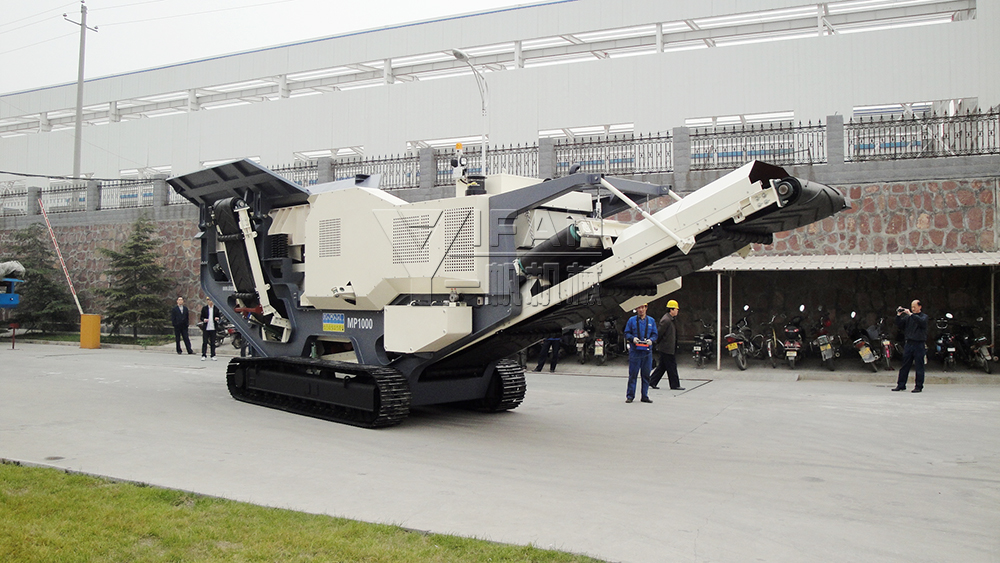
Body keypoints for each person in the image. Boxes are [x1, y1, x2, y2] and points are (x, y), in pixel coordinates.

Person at [624, 303, 657, 403]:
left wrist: (651, 340)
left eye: (642, 307)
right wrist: (632, 338)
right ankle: (630, 396)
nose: (641, 310)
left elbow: (655, 334)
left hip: (647, 352)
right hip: (635, 352)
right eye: (639, 308)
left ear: (646, 308)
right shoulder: (631, 320)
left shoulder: (651, 321)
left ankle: (644, 396)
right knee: (633, 374)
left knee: (646, 375)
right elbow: (626, 333)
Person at [893, 299, 928, 393]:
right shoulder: (908, 318)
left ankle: (918, 386)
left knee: (919, 366)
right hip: (909, 344)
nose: (913, 309)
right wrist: (898, 315)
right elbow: (899, 324)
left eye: (914, 307)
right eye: (912, 307)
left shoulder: (924, 317)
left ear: (920, 307)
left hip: (919, 344)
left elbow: (922, 323)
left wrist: (911, 314)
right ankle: (901, 385)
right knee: (905, 365)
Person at [650, 299, 685, 390]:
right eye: (676, 309)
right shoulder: (666, 320)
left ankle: (651, 381)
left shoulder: (671, 319)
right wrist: (656, 343)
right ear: (671, 310)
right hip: (666, 348)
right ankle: (675, 385)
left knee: (662, 367)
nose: (677, 311)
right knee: (672, 367)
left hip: (669, 347)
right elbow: (659, 333)